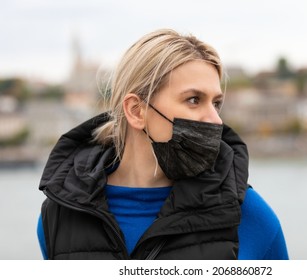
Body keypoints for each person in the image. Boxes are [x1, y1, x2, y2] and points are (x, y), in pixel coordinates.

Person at [37, 29, 288, 260]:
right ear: (136, 111)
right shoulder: (58, 217)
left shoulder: (251, 217)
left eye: (216, 103)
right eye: (193, 100)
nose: (216, 119)